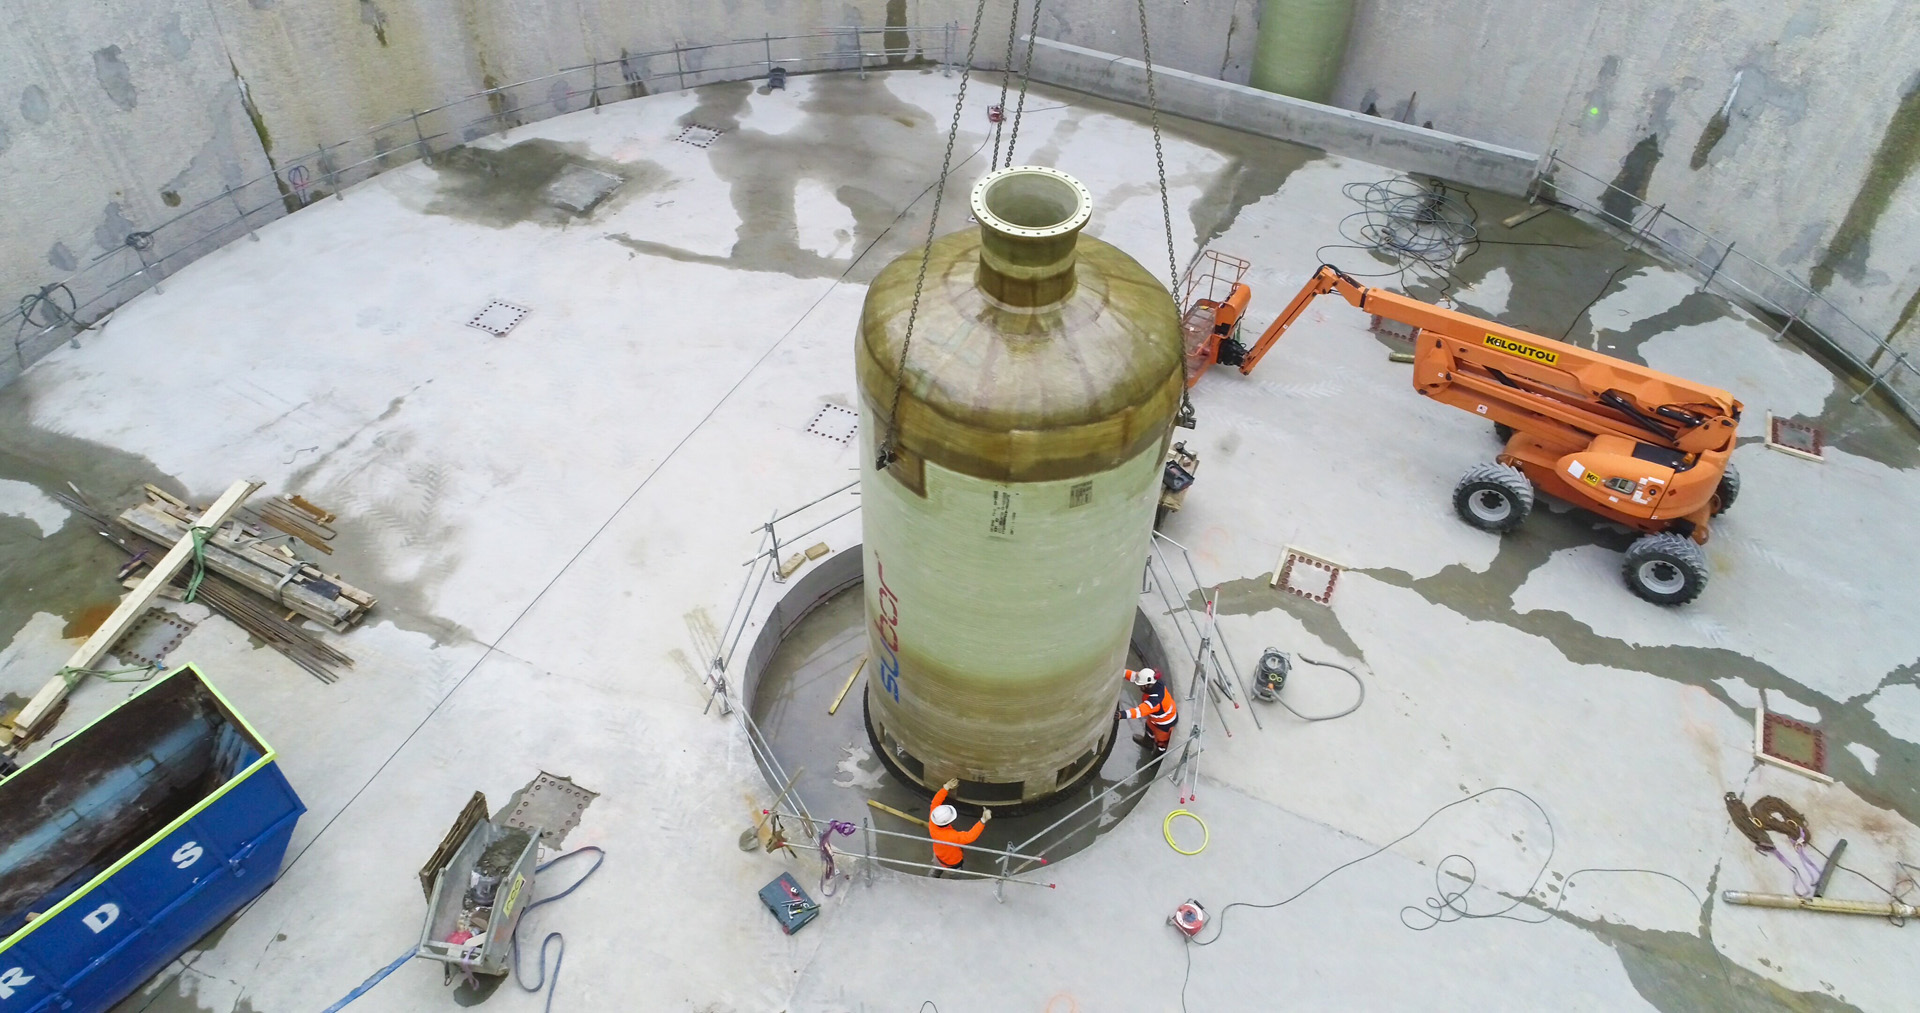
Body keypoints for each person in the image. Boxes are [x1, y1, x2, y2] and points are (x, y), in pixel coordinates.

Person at [928, 778, 991, 878]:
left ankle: (930, 881)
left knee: (934, 872)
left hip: (937, 858)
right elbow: (970, 836)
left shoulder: (933, 821)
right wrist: (983, 820)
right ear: (949, 821)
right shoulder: (952, 836)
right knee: (954, 880)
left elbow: (935, 803)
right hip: (952, 866)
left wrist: (946, 787)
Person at [1118, 667, 1178, 754]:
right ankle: (1147, 743)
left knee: (1161, 741)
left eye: (1140, 686)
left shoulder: (1155, 701)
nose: (1139, 687)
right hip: (1155, 718)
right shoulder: (1155, 683)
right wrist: (1121, 672)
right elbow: (1135, 676)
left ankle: (1158, 755)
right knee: (1149, 728)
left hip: (1164, 724)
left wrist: (1122, 714)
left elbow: (1139, 711)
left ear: (1146, 685)